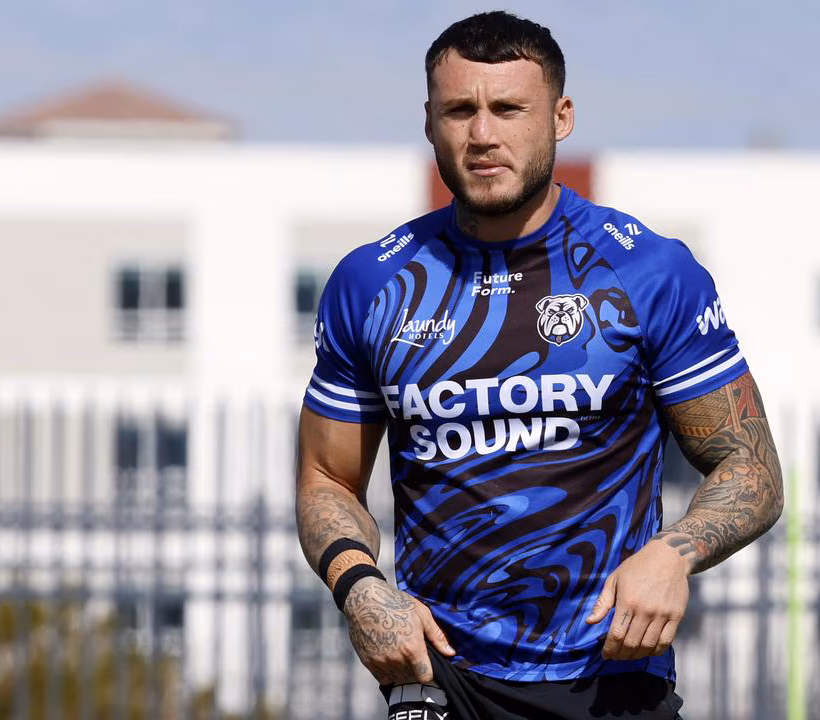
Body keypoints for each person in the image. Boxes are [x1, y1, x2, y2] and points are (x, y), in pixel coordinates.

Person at [295, 10, 783, 720]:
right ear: (429, 122)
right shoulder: (373, 283)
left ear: (561, 117)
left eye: (508, 109)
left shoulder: (648, 272)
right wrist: (359, 586)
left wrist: (673, 554)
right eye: (459, 110)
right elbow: (327, 478)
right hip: (441, 674)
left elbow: (752, 467)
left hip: (611, 676)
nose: (482, 134)